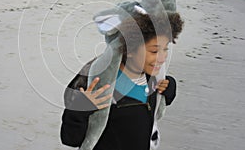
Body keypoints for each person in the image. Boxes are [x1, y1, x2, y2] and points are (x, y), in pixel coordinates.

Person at [60, 11, 184, 150]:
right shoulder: (102, 86)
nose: (162, 58)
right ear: (130, 49)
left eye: (165, 49)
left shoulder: (152, 79)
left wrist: (169, 87)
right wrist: (80, 108)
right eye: (154, 52)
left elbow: (160, 104)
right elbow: (70, 138)